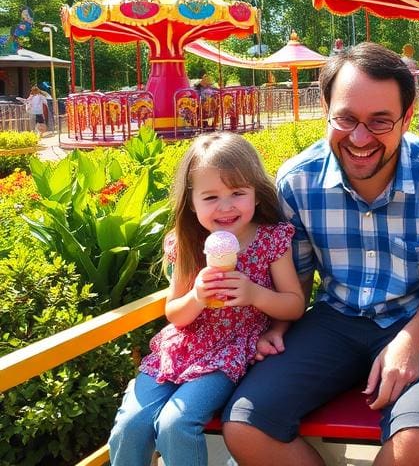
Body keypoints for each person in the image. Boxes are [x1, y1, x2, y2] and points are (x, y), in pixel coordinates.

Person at [222, 42, 419, 466]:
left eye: (380, 122)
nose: (360, 138)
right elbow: (296, 276)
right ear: (326, 109)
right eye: (346, 119)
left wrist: (409, 342)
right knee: (246, 425)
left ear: (407, 119)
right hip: (334, 320)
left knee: (416, 444)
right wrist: (278, 324)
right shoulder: (297, 182)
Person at [108, 133, 305, 466]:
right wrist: (197, 295)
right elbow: (175, 314)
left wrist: (254, 294)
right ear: (192, 201)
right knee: (130, 424)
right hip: (178, 349)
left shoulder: (270, 239)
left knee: (177, 423)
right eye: (211, 197)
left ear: (256, 195)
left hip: (230, 351)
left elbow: (294, 304)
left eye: (238, 193)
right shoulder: (186, 241)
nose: (225, 207)